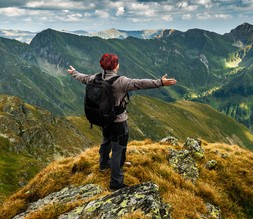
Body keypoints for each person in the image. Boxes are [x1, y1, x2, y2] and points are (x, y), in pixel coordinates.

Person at [67, 53, 177, 190]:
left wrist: (73, 73)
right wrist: (160, 82)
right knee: (118, 150)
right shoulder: (121, 82)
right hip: (119, 122)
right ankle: (116, 183)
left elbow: (82, 78)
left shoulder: (95, 78)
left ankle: (103, 165)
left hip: (104, 120)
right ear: (115, 66)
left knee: (106, 141)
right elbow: (140, 83)